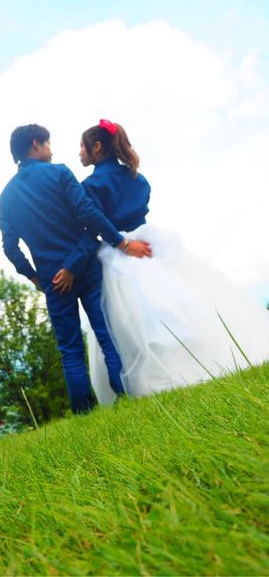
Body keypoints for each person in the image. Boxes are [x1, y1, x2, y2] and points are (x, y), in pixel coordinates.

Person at [77, 119, 269, 404]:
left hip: (120, 250)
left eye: (81, 146)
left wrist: (118, 242)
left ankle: (151, 381)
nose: (79, 152)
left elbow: (96, 223)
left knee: (131, 319)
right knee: (174, 303)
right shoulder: (137, 178)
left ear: (96, 147)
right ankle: (199, 359)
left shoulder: (91, 185)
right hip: (148, 245)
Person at [0, 124, 152, 414]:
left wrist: (33, 276)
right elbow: (88, 216)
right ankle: (125, 395)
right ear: (36, 144)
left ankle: (83, 412)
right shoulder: (59, 173)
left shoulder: (6, 197)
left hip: (53, 281)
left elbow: (9, 247)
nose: (51, 149)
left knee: (70, 350)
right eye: (48, 143)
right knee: (106, 335)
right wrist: (120, 244)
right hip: (87, 268)